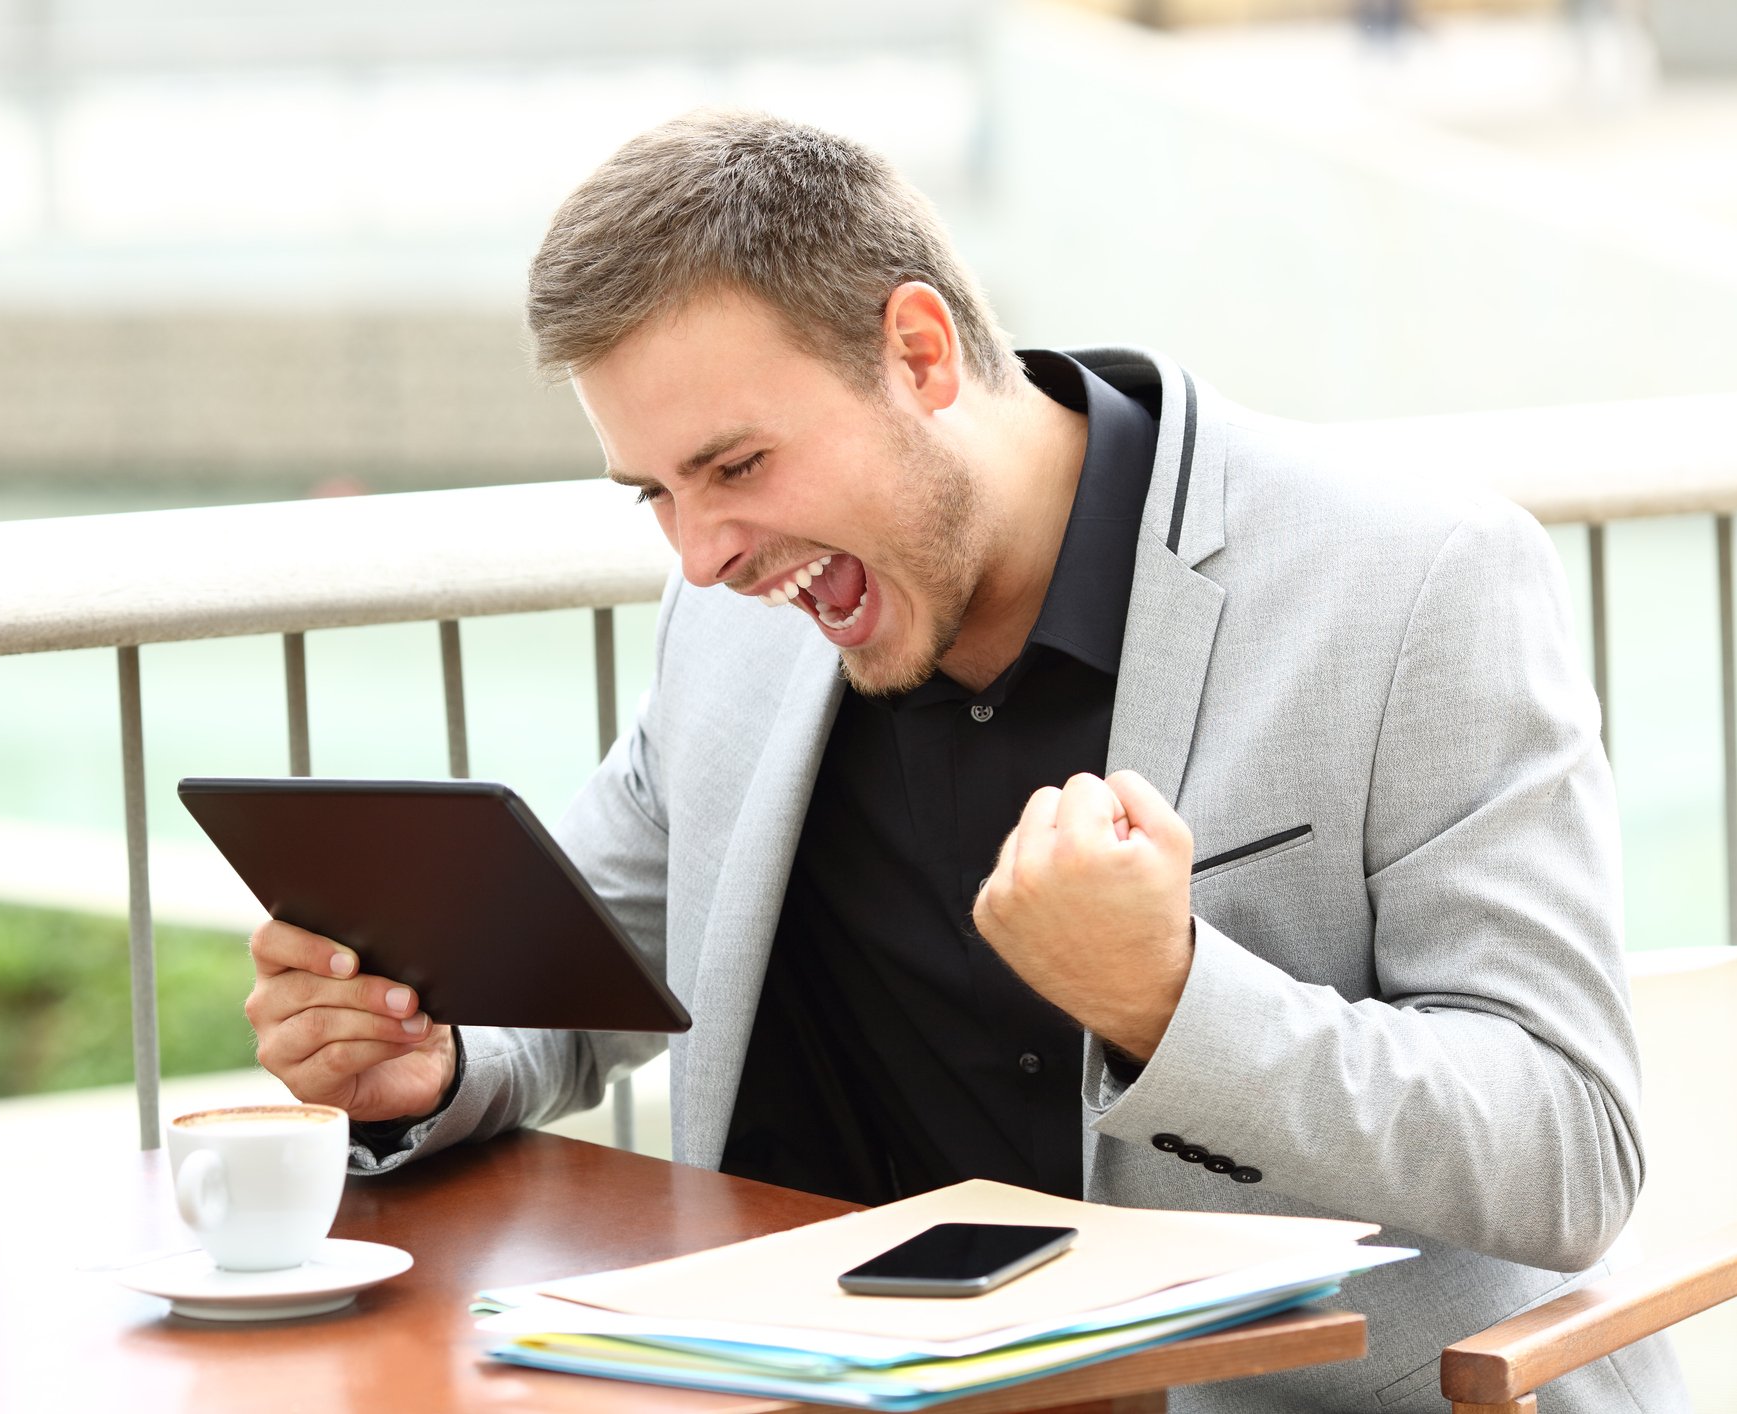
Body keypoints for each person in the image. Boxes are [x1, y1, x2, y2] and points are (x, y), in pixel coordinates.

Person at [243, 111, 1684, 1411]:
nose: (698, 554)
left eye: (736, 468)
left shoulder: (1411, 577)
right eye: (655, 492)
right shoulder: (738, 617)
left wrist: (1169, 1000)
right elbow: (582, 984)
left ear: (920, 355)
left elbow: (1567, 1147)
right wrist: (422, 1062)